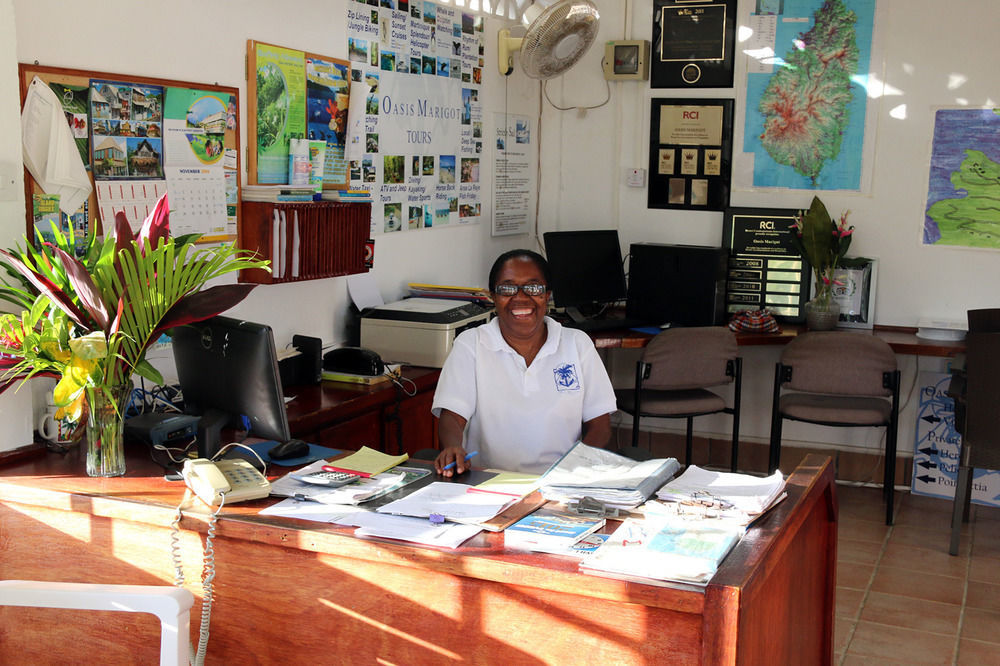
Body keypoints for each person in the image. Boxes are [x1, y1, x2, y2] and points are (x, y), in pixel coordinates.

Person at [431, 249, 616, 476]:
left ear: (547, 295)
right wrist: (452, 447)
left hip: (561, 481)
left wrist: (576, 469)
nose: (520, 297)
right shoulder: (471, 344)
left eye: (533, 287)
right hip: (489, 480)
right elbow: (452, 416)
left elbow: (600, 425)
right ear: (493, 296)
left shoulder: (577, 344)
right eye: (507, 288)